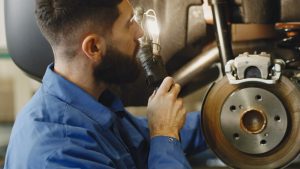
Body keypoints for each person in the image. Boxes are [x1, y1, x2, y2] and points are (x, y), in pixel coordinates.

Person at [4, 0, 207, 168]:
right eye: (129, 23)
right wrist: (165, 133)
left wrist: (221, 116)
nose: (139, 32)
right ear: (94, 47)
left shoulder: (94, 104)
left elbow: (147, 135)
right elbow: (161, 132)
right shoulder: (59, 153)